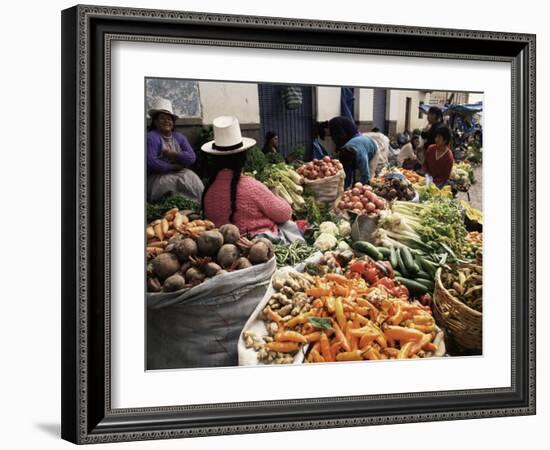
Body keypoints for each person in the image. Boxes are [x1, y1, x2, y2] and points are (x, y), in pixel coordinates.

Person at [201, 116, 295, 239]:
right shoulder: (252, 187)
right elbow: (284, 214)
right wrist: (275, 194)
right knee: (289, 225)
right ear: (243, 158)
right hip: (257, 244)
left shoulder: (209, 189)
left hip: (221, 245)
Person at [146, 97, 204, 202]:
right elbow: (151, 162)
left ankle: (198, 206)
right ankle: (170, 211)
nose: (166, 121)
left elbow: (191, 157)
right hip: (158, 176)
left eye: (169, 119)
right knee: (168, 185)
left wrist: (174, 154)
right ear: (155, 121)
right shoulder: (151, 137)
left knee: (193, 179)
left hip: (179, 170)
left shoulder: (179, 136)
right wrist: (172, 167)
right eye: (162, 118)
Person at [328, 116, 379, 188]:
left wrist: (359, 187)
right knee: (354, 174)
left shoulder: (361, 157)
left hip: (373, 147)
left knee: (366, 178)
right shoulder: (344, 148)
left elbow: (365, 175)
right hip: (360, 144)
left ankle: (367, 191)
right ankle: (349, 186)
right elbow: (340, 158)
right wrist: (330, 158)